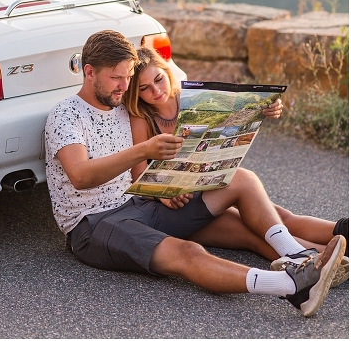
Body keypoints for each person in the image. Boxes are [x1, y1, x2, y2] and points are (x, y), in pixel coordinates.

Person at [44, 30, 346, 318]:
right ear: (89, 72)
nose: (124, 86)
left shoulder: (124, 105)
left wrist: (259, 108)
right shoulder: (66, 114)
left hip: (140, 204)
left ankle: (305, 258)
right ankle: (292, 286)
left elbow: (201, 112)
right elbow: (81, 177)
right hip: (94, 222)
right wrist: (143, 151)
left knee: (242, 181)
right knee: (187, 253)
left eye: (127, 77)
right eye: (116, 78)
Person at [124, 46, 349, 286]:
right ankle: (320, 262)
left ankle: (341, 235)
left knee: (278, 216)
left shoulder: (195, 100)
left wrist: (266, 109)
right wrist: (163, 196)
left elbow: (239, 116)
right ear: (136, 93)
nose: (156, 90)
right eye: (144, 88)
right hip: (179, 204)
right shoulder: (142, 118)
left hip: (212, 184)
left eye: (158, 79)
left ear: (167, 72)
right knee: (253, 232)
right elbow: (138, 174)